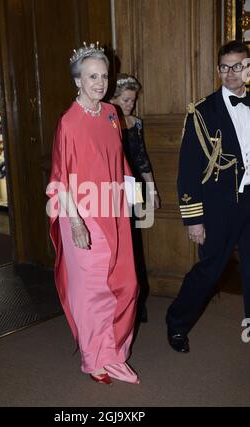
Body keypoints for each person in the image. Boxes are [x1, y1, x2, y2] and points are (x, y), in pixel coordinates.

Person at [46, 42, 140, 385]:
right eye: (92, 76)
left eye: (104, 76)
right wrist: (75, 222)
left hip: (115, 211)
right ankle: (94, 359)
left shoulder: (112, 113)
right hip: (84, 214)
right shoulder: (68, 122)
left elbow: (120, 160)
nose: (100, 83)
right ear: (78, 81)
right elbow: (60, 177)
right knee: (92, 292)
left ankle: (115, 354)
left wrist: (135, 197)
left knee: (125, 284)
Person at [166, 40, 250, 353]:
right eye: (225, 67)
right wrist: (194, 218)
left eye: (238, 65)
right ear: (218, 70)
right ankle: (176, 322)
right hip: (219, 206)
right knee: (210, 270)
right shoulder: (202, 112)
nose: (231, 73)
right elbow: (187, 169)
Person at [110, 74, 160, 323]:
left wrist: (151, 189)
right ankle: (116, 301)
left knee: (134, 242)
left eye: (133, 100)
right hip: (110, 189)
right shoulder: (104, 122)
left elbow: (142, 157)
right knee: (116, 244)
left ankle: (136, 302)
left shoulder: (136, 123)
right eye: (127, 100)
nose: (130, 104)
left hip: (134, 187)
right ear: (114, 98)